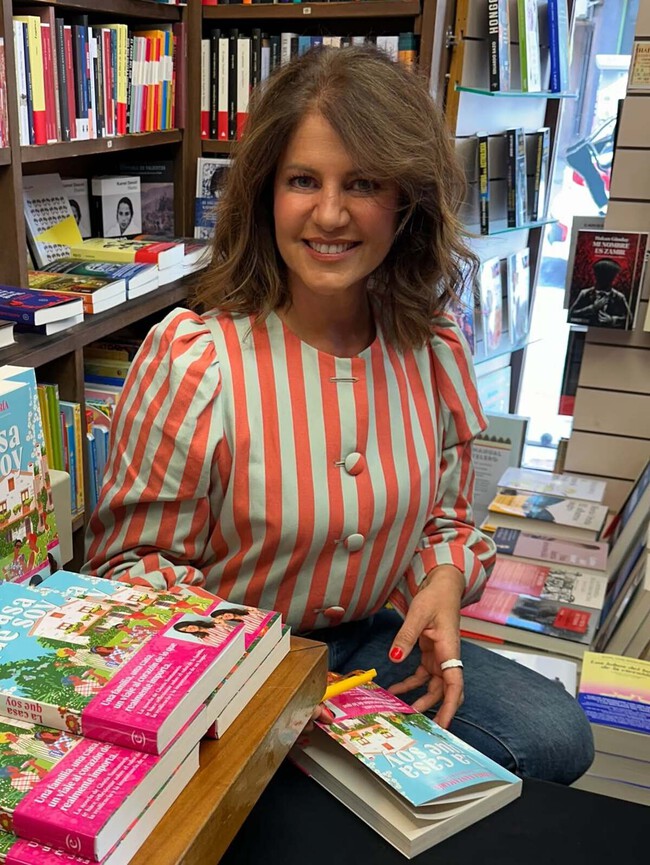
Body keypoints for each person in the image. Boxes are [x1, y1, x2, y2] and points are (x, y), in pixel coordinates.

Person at [84, 46, 593, 784]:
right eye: (303, 181)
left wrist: (444, 583)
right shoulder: (196, 359)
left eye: (362, 183)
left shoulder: (433, 346)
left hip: (372, 644)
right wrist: (269, 667)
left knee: (555, 735)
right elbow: (126, 570)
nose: (330, 213)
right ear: (265, 193)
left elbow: (447, 523)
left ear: (406, 201)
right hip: (225, 663)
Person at [569, 257, 632, 328]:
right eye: (614, 276)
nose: (616, 279)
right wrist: (592, 308)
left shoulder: (619, 297)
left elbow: (629, 319)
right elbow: (571, 314)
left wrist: (612, 320)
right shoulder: (585, 293)